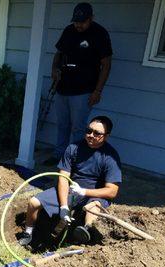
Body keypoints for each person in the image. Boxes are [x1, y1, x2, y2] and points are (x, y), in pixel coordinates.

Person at [19, 115, 121, 247]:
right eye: (88, 130)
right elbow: (63, 177)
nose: (90, 135)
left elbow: (112, 191)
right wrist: (63, 207)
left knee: (93, 207)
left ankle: (85, 230)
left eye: (97, 133)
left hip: (93, 195)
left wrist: (84, 191)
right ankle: (28, 233)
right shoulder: (74, 148)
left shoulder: (110, 157)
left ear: (106, 136)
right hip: (71, 191)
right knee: (33, 202)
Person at [46, 2, 112, 165]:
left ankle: (75, 160)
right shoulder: (69, 31)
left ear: (91, 18)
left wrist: (97, 91)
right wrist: (54, 69)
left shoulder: (100, 33)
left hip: (84, 91)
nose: (78, 25)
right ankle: (59, 154)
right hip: (63, 88)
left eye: (82, 21)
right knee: (62, 124)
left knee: (78, 128)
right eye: (76, 21)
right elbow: (59, 54)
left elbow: (107, 64)